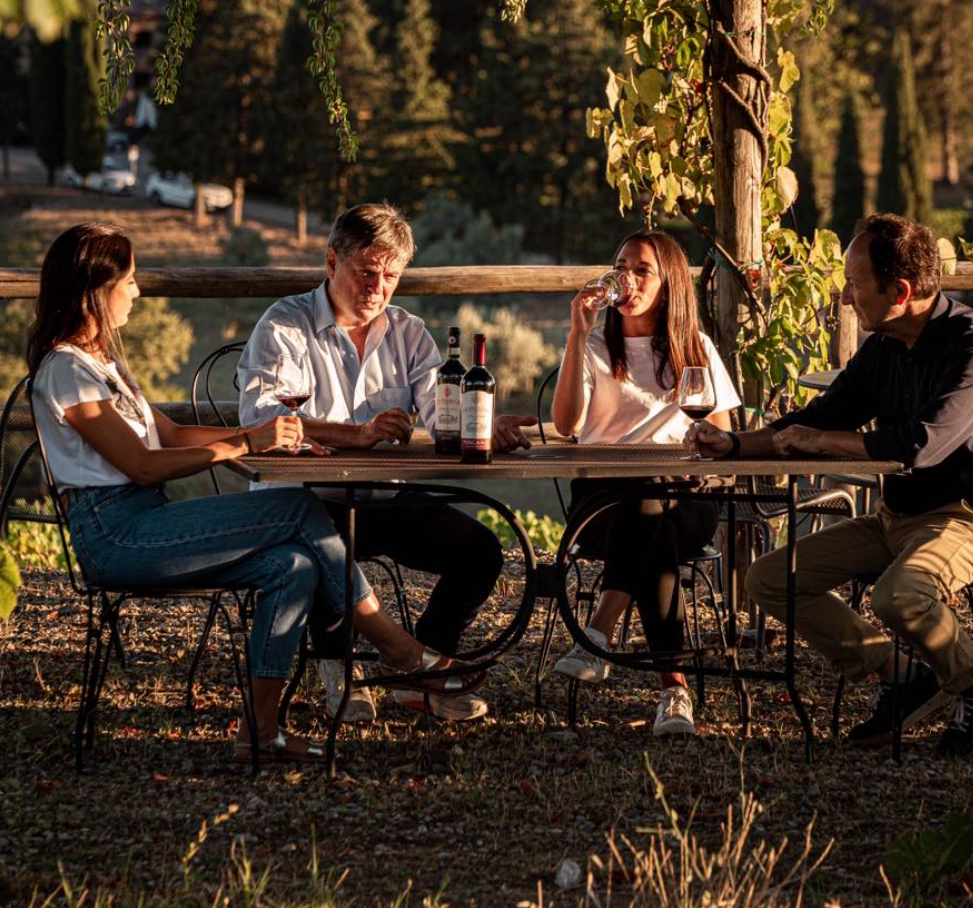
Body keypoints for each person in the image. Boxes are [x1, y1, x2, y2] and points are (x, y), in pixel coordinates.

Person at [28, 223, 483, 764]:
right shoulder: (64, 370)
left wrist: (262, 438)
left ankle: (261, 733)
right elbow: (144, 466)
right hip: (114, 534)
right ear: (93, 291)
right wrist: (247, 440)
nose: (137, 290)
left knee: (293, 566)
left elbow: (169, 436)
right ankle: (399, 649)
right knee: (298, 505)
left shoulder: (102, 366)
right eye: (128, 280)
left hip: (145, 520)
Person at [697, 213, 973, 759]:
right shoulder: (886, 346)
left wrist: (820, 439)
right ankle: (902, 675)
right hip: (896, 519)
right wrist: (734, 446)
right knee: (769, 578)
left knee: (899, 596)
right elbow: (821, 415)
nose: (845, 298)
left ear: (899, 291)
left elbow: (924, 444)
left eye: (854, 284)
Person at [238, 203, 536, 724]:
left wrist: (482, 425)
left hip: (383, 495)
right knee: (327, 546)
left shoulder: (407, 331)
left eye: (391, 276)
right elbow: (263, 418)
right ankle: (343, 676)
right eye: (367, 272)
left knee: (481, 551)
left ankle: (417, 672)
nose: (379, 287)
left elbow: (437, 402)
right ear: (332, 262)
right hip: (303, 502)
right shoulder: (286, 324)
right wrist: (358, 434)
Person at [549, 228, 740, 737]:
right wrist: (574, 334)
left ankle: (598, 632)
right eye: (621, 267)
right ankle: (675, 693)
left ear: (669, 284)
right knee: (653, 520)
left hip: (685, 498)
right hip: (601, 504)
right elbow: (567, 426)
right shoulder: (592, 345)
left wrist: (701, 441)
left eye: (642, 271)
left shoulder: (692, 346)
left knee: (655, 496)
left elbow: (723, 434)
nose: (627, 280)